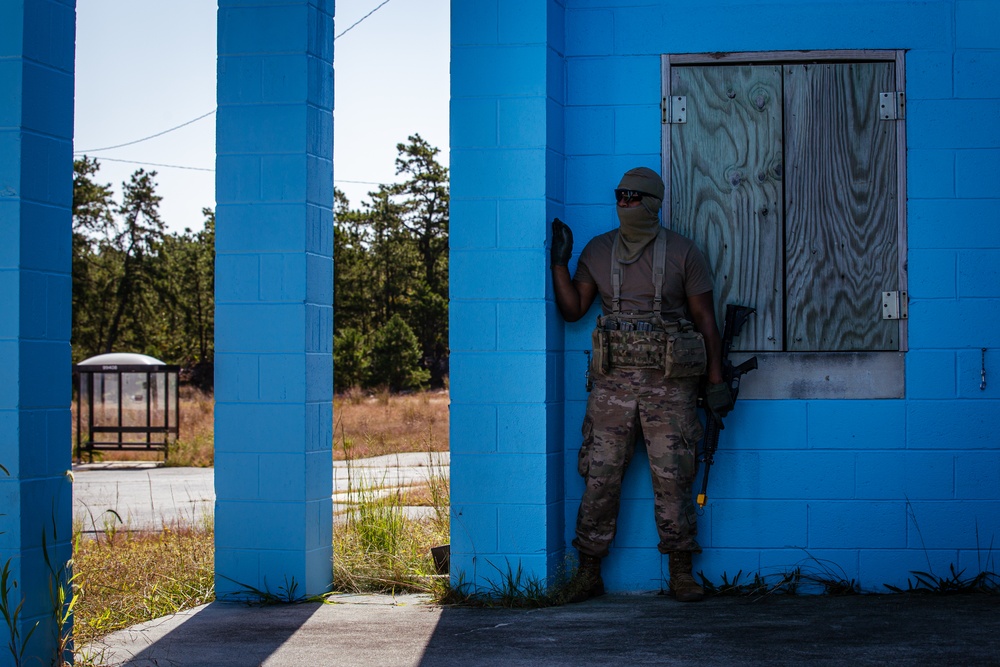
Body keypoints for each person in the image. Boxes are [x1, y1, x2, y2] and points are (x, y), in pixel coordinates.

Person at [550, 166, 733, 603]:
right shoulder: (597, 250)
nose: (624, 203)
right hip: (612, 386)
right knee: (600, 475)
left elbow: (707, 321)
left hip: (671, 386)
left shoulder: (684, 253)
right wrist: (558, 262)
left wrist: (716, 381)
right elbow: (573, 309)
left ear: (652, 202)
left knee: (673, 478)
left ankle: (681, 571)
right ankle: (588, 570)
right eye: (619, 195)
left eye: (634, 196)